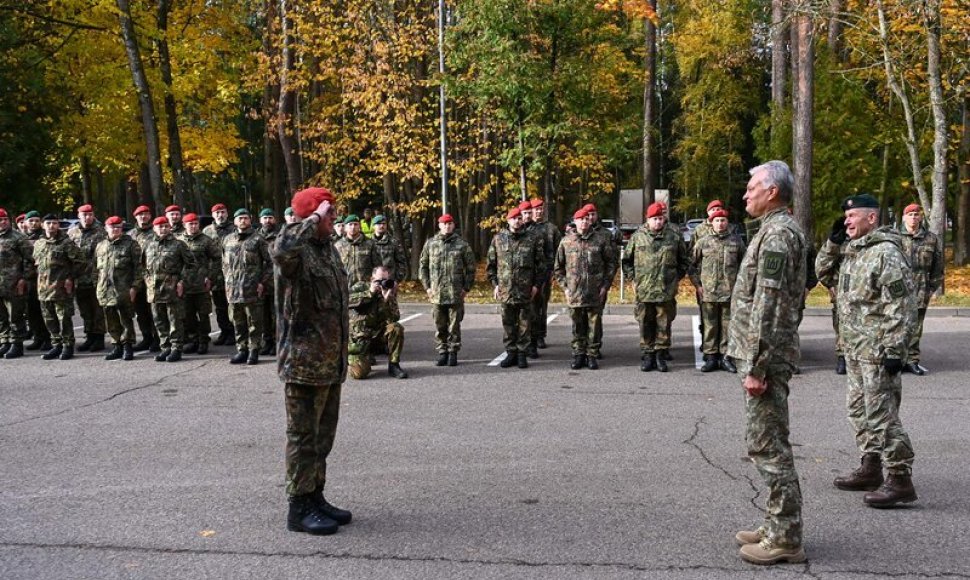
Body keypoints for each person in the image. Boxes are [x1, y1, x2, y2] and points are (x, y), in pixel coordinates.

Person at [726, 160, 807, 565]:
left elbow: (769, 305)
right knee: (767, 443)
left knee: (768, 447)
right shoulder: (774, 231)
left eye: (752, 187)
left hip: (767, 360)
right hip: (768, 355)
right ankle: (776, 523)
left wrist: (756, 366)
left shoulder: (777, 236)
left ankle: (785, 538)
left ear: (772, 191)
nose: (746, 194)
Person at [272, 186, 352, 536]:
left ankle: (315, 496)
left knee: (322, 439)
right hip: (303, 366)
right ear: (311, 217)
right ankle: (298, 507)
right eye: (328, 213)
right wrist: (313, 216)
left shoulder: (327, 251)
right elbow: (282, 247)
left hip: (329, 364)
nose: (334, 217)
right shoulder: (296, 253)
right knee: (303, 438)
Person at [832, 194, 918, 508]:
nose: (847, 220)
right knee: (858, 412)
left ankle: (899, 478)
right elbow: (822, 274)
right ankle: (871, 468)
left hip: (878, 350)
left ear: (871, 218)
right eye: (846, 216)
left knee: (883, 416)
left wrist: (896, 348)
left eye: (852, 215)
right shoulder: (853, 251)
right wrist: (832, 244)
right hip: (855, 349)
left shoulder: (886, 253)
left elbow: (902, 304)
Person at [622, 202, 689, 372]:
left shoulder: (673, 236)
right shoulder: (638, 237)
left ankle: (660, 354)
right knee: (645, 322)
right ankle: (648, 354)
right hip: (644, 290)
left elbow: (684, 261)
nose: (658, 222)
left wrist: (674, 279)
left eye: (660, 218)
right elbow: (627, 261)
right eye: (655, 219)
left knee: (663, 323)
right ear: (648, 219)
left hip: (665, 290)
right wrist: (633, 279)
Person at [553, 207, 615, 370]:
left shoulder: (600, 240)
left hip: (595, 291)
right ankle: (579, 354)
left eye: (587, 219)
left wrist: (605, 286)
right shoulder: (566, 241)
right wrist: (565, 288)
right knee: (577, 325)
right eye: (581, 219)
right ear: (575, 221)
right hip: (574, 292)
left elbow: (611, 263)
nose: (584, 222)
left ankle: (592, 355)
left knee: (594, 326)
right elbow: (558, 268)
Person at [486, 207, 545, 369]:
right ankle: (511, 352)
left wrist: (536, 286)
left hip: (525, 289)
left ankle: (521, 354)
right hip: (506, 290)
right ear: (508, 220)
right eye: (514, 218)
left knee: (525, 323)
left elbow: (541, 265)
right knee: (508, 323)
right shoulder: (498, 239)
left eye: (519, 218)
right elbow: (491, 265)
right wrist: (495, 284)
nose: (517, 221)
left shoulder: (532, 239)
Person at [690, 208, 745, 372]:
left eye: (723, 220)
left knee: (728, 326)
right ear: (711, 223)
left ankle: (725, 357)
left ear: (727, 222)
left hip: (730, 292)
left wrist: (741, 287)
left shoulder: (736, 241)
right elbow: (691, 265)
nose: (720, 223)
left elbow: (745, 265)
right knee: (710, 326)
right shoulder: (703, 242)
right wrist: (698, 285)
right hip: (709, 292)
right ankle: (711, 356)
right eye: (717, 221)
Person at [419, 214, 476, 367]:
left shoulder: (462, 244)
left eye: (450, 223)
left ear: (453, 225)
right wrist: (428, 287)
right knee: (440, 325)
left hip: (455, 292)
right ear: (439, 225)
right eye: (444, 224)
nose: (447, 226)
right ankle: (442, 352)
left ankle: (453, 352)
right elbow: (423, 267)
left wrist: (466, 288)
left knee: (454, 325)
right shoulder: (431, 244)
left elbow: (471, 268)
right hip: (436, 294)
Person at [34, 214, 87, 360]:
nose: (51, 226)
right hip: (43, 289)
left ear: (58, 225)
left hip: (61, 289)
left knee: (64, 319)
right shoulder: (39, 243)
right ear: (43, 225)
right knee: (49, 319)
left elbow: (81, 262)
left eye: (54, 223)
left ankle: (67, 346)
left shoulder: (66, 243)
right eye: (48, 223)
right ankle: (56, 345)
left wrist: (70, 278)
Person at [223, 208, 272, 365]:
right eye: (240, 218)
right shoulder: (227, 239)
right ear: (235, 221)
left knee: (254, 322)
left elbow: (270, 263)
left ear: (250, 220)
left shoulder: (258, 239)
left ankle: (254, 351)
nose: (243, 221)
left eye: (245, 218)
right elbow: (223, 263)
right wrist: (227, 281)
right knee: (237, 322)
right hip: (233, 289)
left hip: (252, 288)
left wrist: (262, 282)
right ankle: (241, 350)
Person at [898, 203, 942, 375]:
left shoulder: (930, 239)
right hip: (898, 289)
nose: (914, 217)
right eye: (910, 214)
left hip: (921, 289)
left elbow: (938, 267)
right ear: (904, 217)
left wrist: (931, 288)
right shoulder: (895, 237)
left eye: (917, 214)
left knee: (916, 327)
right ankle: (897, 359)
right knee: (898, 325)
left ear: (921, 217)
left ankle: (912, 360)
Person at [143, 216, 194, 362]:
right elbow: (142, 266)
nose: (163, 229)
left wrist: (181, 281)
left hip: (172, 288)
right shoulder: (148, 245)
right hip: (154, 289)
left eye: (166, 226)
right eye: (160, 227)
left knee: (174, 319)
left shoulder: (179, 245)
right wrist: (147, 280)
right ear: (154, 228)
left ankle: (176, 348)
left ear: (169, 227)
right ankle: (165, 347)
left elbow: (191, 265)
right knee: (159, 320)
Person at [95, 216, 143, 361]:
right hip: (105, 289)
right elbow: (95, 269)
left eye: (118, 227)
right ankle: (117, 346)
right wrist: (96, 285)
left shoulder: (131, 245)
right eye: (112, 227)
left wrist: (135, 287)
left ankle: (128, 346)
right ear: (106, 228)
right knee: (110, 319)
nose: (115, 229)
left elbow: (139, 268)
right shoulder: (101, 245)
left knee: (126, 319)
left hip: (123, 289)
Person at [347, 266, 408, 379]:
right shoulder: (360, 287)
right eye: (378, 281)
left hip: (377, 337)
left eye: (385, 280)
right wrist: (369, 293)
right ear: (371, 279)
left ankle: (394, 365)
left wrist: (386, 300)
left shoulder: (387, 292)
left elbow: (395, 317)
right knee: (359, 374)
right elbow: (347, 300)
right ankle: (357, 359)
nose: (382, 284)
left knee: (396, 327)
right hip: (360, 340)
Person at [177, 213, 221, 355]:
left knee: (203, 315)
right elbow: (174, 262)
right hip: (185, 286)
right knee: (187, 316)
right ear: (184, 225)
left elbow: (217, 259)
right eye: (191, 224)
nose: (194, 226)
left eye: (196, 223)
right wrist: (177, 281)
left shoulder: (206, 241)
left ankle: (203, 341)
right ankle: (193, 340)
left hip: (202, 285)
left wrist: (210, 277)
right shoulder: (178, 241)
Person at [67, 204, 107, 352]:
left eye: (89, 214)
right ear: (79, 216)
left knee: (98, 310)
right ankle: (89, 336)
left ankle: (99, 338)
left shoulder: (102, 232)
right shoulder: (72, 233)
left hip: (97, 277)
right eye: (84, 215)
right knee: (84, 310)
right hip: (79, 278)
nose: (87, 217)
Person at [0, 208, 32, 359]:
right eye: (1, 220)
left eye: (5, 219)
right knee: (1, 317)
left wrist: (23, 279)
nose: (4, 222)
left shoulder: (18, 238)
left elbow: (30, 260)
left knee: (16, 316)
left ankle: (16, 344)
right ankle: (4, 342)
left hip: (14, 284)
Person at [530, 198, 561, 351]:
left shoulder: (551, 229)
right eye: (536, 209)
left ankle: (541, 335)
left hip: (546, 273)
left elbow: (559, 252)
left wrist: (554, 272)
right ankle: (530, 336)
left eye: (541, 209)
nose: (539, 211)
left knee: (541, 305)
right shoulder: (527, 228)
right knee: (529, 307)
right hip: (528, 274)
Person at [203, 203, 235, 346]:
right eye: (217, 213)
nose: (220, 215)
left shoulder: (234, 229)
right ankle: (224, 331)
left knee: (232, 305)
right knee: (219, 306)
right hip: (215, 274)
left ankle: (234, 332)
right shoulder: (207, 231)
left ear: (227, 213)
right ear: (213, 215)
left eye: (222, 212)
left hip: (232, 274)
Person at [130, 205, 160, 352]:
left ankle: (157, 338)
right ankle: (146, 337)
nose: (143, 217)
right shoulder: (130, 235)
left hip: (153, 279)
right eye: (140, 215)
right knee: (140, 311)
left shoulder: (157, 232)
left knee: (153, 310)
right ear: (135, 217)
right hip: (136, 279)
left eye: (146, 214)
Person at [21, 211, 51, 352]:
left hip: (43, 279)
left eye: (37, 220)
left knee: (44, 311)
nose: (34, 223)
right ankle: (37, 338)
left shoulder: (45, 236)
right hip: (27, 280)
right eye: (31, 220)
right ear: (26, 223)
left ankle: (48, 339)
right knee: (30, 311)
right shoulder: (21, 238)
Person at [335, 215, 380, 287]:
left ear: (359, 226)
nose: (353, 227)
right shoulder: (338, 246)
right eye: (350, 224)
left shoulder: (370, 243)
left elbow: (377, 266)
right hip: (346, 288)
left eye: (355, 224)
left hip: (366, 289)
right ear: (345, 227)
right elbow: (335, 269)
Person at [258, 208, 280, 355]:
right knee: (263, 314)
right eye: (265, 218)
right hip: (259, 282)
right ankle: (267, 341)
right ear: (260, 220)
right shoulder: (254, 237)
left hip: (276, 281)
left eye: (270, 217)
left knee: (276, 314)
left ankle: (276, 342)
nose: (267, 220)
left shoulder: (280, 236)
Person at [371, 215, 408, 282]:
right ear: (373, 226)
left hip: (390, 281)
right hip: (373, 282)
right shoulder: (368, 243)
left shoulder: (394, 242)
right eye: (379, 224)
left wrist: (397, 280)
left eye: (384, 224)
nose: (382, 226)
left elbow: (401, 262)